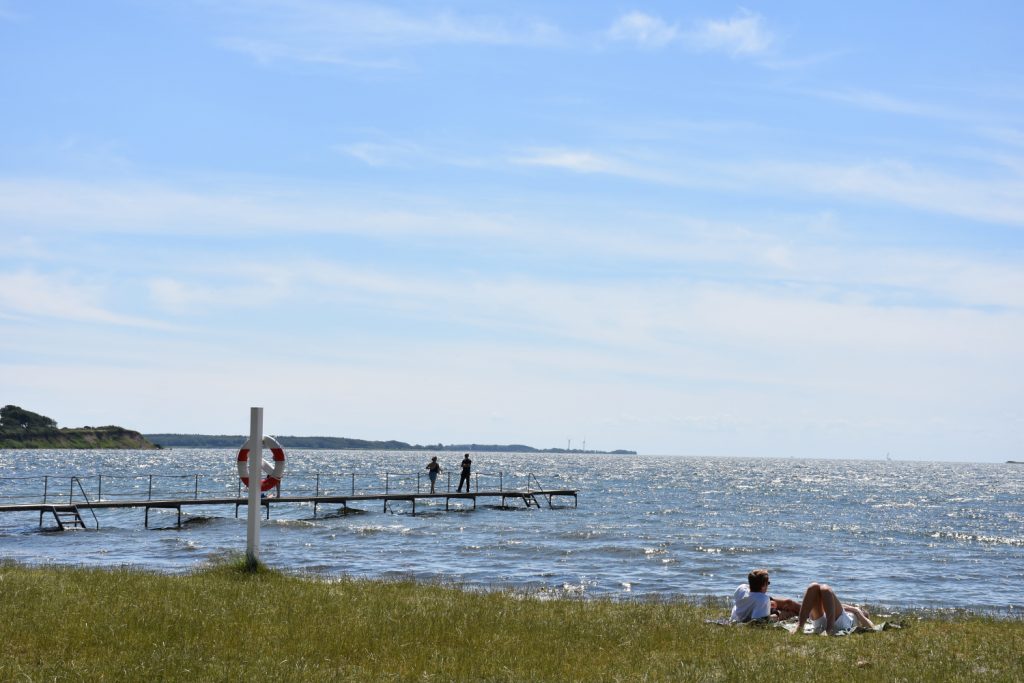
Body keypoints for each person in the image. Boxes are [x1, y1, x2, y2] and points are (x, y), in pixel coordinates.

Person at [793, 582, 875, 635]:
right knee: (813, 586)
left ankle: (829, 629)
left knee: (825, 589)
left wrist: (857, 611)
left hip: (841, 622)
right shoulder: (847, 609)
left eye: (863, 610)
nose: (861, 609)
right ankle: (800, 626)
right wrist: (851, 608)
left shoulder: (857, 614)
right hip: (823, 620)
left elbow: (871, 627)